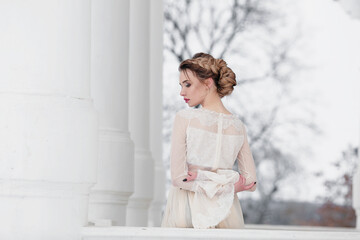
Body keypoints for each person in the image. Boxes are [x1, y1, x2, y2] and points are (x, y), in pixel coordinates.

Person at [161, 53, 257, 229]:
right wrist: (227, 187)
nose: (182, 92)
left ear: (208, 83)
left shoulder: (185, 118)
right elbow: (250, 183)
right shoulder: (238, 126)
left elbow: (179, 179)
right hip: (227, 212)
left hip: (189, 211)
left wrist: (200, 177)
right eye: (181, 86)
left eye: (187, 85)